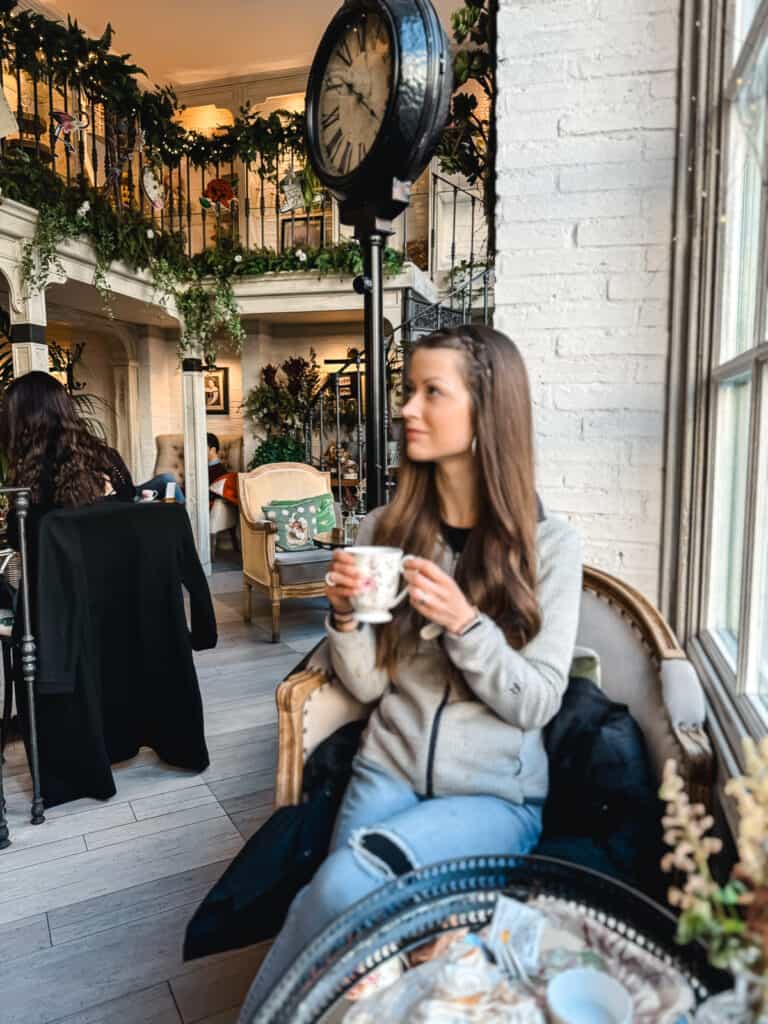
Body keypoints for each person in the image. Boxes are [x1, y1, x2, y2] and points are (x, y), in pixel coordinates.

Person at [239, 325, 584, 1016]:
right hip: (386, 772)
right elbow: (369, 687)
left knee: (339, 891)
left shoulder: (548, 547)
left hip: (494, 801)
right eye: (407, 391)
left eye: (432, 392)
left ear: (487, 412)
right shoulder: (381, 532)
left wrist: (465, 625)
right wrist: (342, 619)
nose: (406, 409)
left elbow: (537, 702)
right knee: (351, 934)